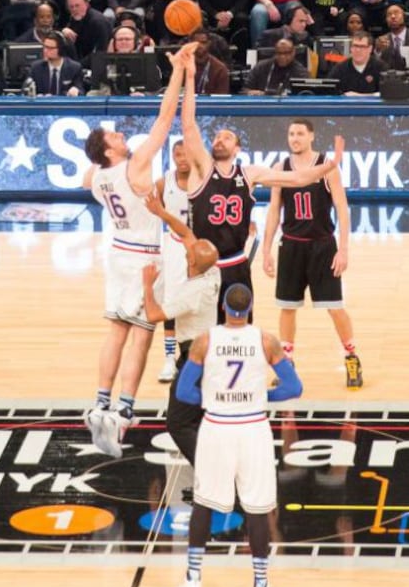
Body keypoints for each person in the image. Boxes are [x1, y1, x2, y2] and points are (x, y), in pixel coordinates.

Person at [83, 41, 197, 458]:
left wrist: (97, 159)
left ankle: (100, 402)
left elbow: (86, 175)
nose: (121, 135)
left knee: (114, 330)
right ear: (109, 149)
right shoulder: (132, 166)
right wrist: (180, 73)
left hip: (117, 252)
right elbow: (165, 119)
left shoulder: (96, 176)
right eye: (114, 135)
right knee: (140, 336)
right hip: (147, 254)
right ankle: (124, 412)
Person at [181, 49, 345, 323]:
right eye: (217, 137)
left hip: (236, 264)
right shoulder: (202, 170)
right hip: (204, 264)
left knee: (241, 329)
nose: (220, 140)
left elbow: (297, 179)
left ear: (238, 148)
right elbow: (188, 125)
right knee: (201, 333)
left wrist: (330, 164)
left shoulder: (249, 173)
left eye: (227, 137)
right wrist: (189, 77)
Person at [174, 283, 303, 587]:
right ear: (249, 308)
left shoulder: (205, 340)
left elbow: (184, 393)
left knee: (203, 503)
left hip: (216, 428)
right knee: (258, 508)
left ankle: (192, 583)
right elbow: (293, 387)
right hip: (253, 428)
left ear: (223, 308)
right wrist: (265, 397)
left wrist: (211, 400)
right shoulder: (265, 340)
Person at [262, 118, 363, 389]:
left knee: (334, 307)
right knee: (287, 307)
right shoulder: (279, 168)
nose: (294, 138)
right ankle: (287, 364)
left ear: (311, 137)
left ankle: (351, 357)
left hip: (322, 245)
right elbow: (274, 210)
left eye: (300, 134)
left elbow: (342, 208)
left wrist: (343, 249)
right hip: (291, 245)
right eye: (291, 133)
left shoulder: (327, 167)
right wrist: (266, 249)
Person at [142, 192, 220, 465]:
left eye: (188, 254)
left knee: (177, 423)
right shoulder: (212, 271)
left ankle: (208, 470)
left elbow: (153, 315)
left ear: (191, 263)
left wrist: (148, 285)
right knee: (201, 418)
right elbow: (186, 233)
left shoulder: (192, 294)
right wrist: (160, 213)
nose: (186, 249)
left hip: (195, 361)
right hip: (211, 354)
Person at [155, 139, 191, 383]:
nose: (182, 158)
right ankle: (170, 358)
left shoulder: (205, 179)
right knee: (170, 302)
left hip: (198, 247)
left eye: (185, 154)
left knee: (198, 303)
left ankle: (193, 355)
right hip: (174, 246)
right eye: (177, 154)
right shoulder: (163, 182)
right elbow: (150, 210)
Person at [327, 29, 388, 95]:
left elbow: (387, 93)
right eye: (355, 46)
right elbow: (329, 91)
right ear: (351, 48)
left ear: (370, 49)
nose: (358, 50)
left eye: (362, 46)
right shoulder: (340, 68)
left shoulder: (381, 67)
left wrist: (360, 96)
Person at [25, 29, 84, 95]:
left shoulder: (74, 68)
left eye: (50, 48)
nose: (45, 51)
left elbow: (80, 90)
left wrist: (75, 90)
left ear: (61, 50)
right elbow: (25, 90)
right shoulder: (35, 68)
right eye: (45, 47)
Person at [242, 38, 309, 95]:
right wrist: (251, 92)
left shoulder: (301, 72)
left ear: (293, 52)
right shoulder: (260, 67)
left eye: (286, 53)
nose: (282, 57)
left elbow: (305, 95)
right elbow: (244, 90)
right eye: (279, 53)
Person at [189, 26, 230, 94]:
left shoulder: (220, 69)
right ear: (190, 43)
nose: (200, 46)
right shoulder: (181, 66)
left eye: (203, 42)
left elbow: (221, 99)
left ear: (209, 43)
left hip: (211, 104)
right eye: (196, 42)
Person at [375, 3, 409, 71]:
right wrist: (377, 50)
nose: (393, 16)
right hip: (387, 79)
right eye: (389, 14)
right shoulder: (381, 41)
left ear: (404, 16)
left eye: (396, 13)